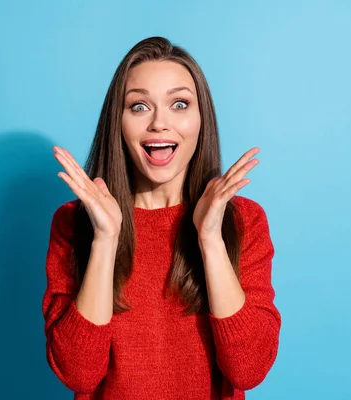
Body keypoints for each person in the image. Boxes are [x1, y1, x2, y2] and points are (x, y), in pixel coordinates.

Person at [42, 36, 281, 400]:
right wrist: (105, 239)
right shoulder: (74, 223)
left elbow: (247, 369)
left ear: (202, 119)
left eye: (179, 104)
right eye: (139, 106)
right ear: (117, 123)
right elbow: (78, 374)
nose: (159, 124)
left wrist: (210, 239)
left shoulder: (244, 220)